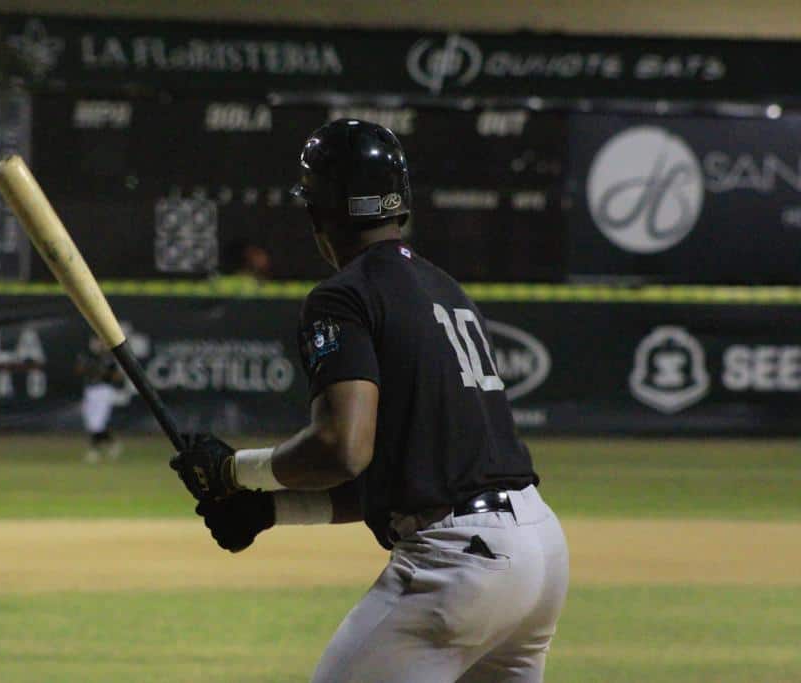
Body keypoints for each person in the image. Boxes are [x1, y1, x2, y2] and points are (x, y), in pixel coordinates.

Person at [170, 119, 568, 682]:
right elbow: (400, 479)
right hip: (539, 554)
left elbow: (342, 448)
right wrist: (270, 508)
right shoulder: (444, 289)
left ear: (318, 213)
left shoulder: (344, 296)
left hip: (461, 565)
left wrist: (234, 471)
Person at [75, 336, 124, 464]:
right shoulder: (88, 357)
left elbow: (118, 376)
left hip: (103, 390)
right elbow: (79, 370)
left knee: (97, 422)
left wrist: (105, 374)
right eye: (95, 341)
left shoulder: (108, 359)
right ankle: (112, 442)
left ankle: (94, 451)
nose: (97, 344)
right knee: (91, 422)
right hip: (90, 390)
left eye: (99, 342)